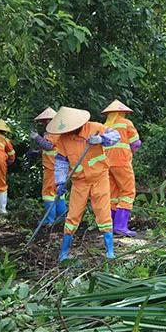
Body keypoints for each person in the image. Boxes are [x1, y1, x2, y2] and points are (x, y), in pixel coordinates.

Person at [46, 106, 120, 261]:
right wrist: (60, 183)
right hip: (79, 182)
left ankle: (110, 252)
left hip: (100, 178)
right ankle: (64, 253)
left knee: (103, 212)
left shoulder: (95, 128)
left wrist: (101, 139)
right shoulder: (63, 139)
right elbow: (60, 163)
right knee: (73, 215)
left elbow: (116, 136)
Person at [101, 99, 142, 237]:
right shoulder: (126, 123)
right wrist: (132, 152)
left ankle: (111, 225)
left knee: (113, 194)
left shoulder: (104, 126)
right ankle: (121, 226)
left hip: (107, 163)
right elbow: (135, 143)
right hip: (122, 162)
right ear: (122, 112)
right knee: (128, 192)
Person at [30, 107, 66, 225]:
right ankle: (61, 216)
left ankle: (50, 219)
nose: (44, 123)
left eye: (46, 121)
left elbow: (49, 146)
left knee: (48, 192)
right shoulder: (60, 130)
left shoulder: (53, 131)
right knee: (59, 191)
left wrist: (36, 137)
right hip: (59, 166)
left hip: (52, 166)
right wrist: (37, 152)